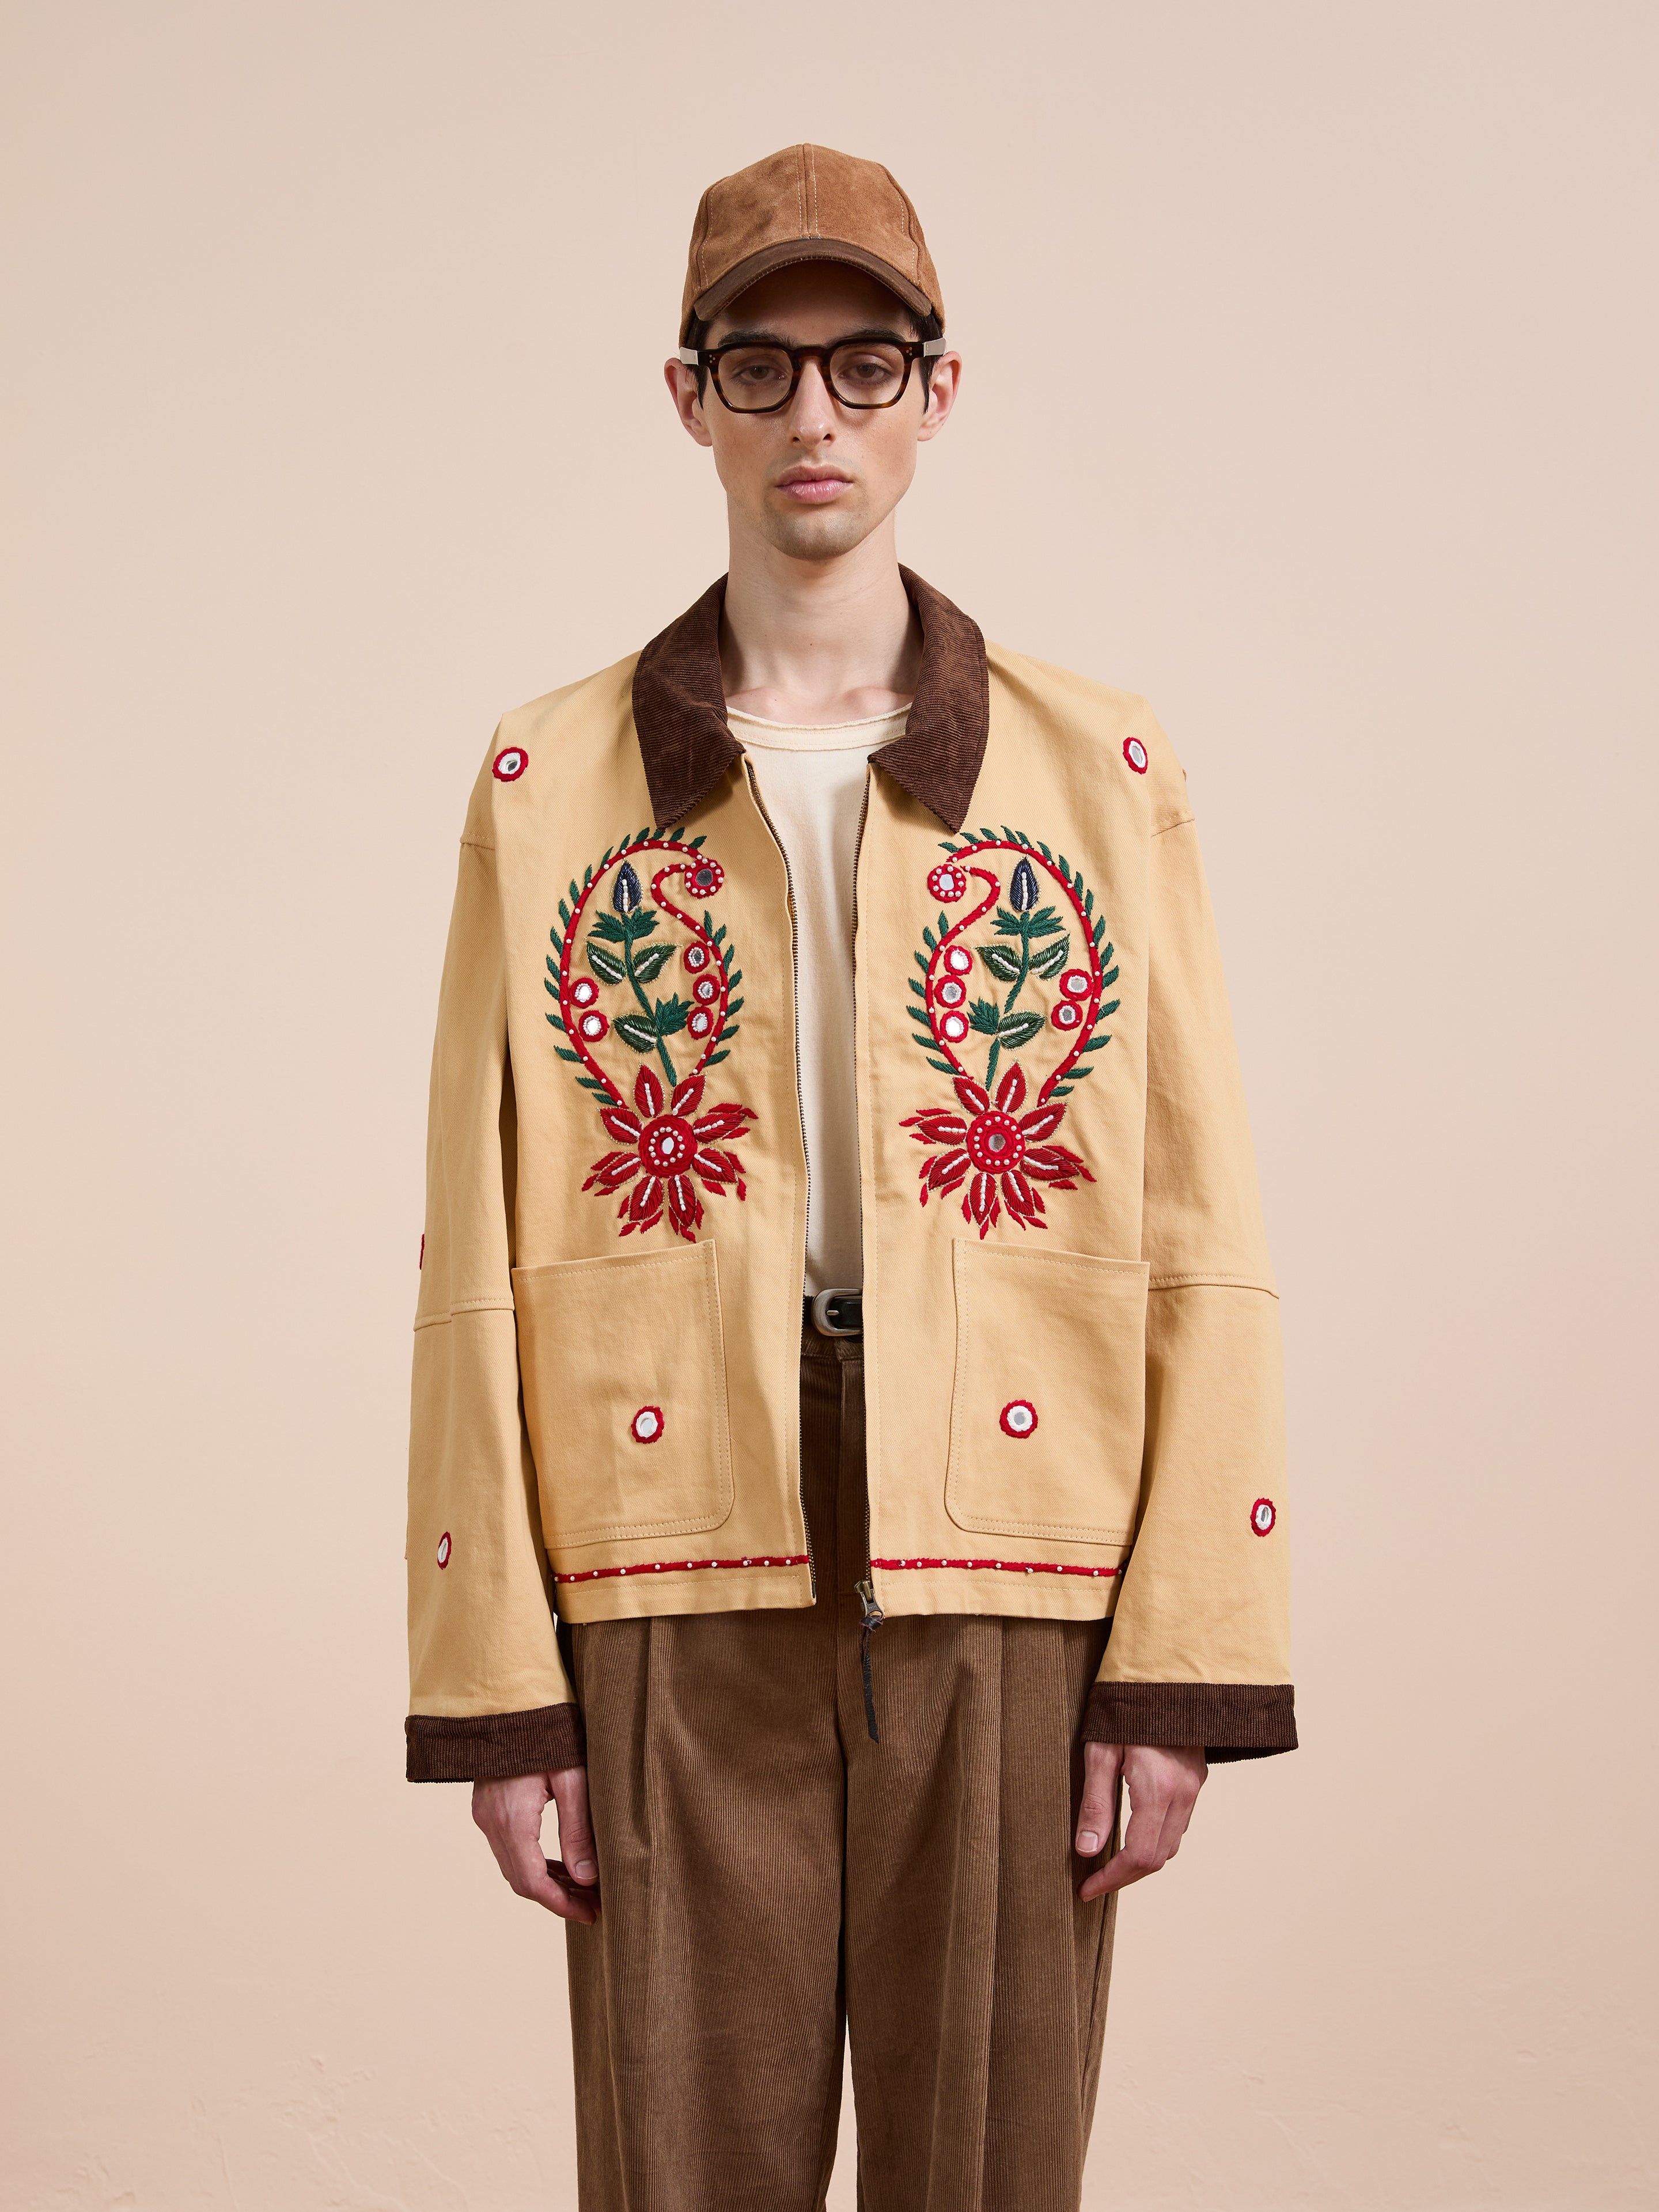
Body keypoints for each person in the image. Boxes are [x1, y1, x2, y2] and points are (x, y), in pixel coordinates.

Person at [405, 143, 1296, 2212]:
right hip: (657, 1562)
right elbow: (473, 1250)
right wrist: (498, 1686)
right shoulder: (550, 786)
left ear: (939, 392)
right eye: (765, 364)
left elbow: (1201, 1230)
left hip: (1016, 1559)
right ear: (688, 393)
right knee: (673, 2169)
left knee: (989, 2174)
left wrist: (1181, 1649)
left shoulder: (1101, 770)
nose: (817, 416)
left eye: (867, 364)